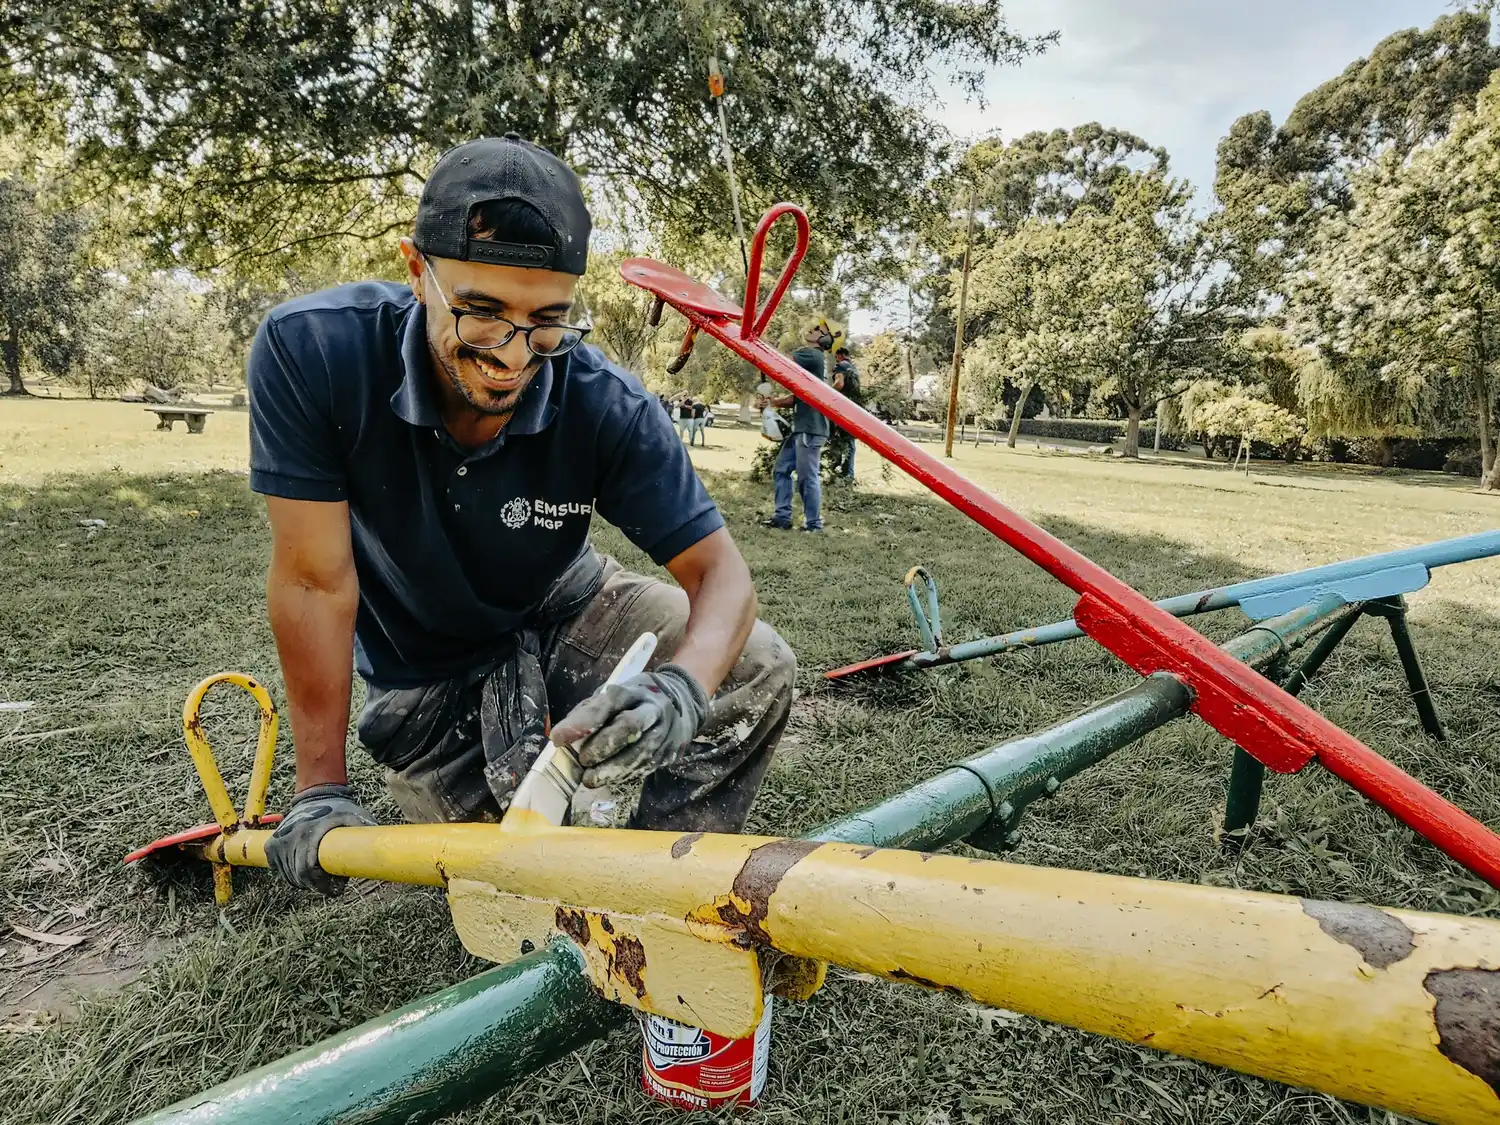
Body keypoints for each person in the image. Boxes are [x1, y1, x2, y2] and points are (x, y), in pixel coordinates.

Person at [247, 135, 796, 895]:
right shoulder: (311, 352)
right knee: (526, 894)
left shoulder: (605, 400)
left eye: (546, 321)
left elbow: (722, 577)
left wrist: (681, 689)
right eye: (481, 312)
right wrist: (318, 787)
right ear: (416, 272)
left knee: (754, 662)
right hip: (424, 670)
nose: (513, 356)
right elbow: (313, 582)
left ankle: (668, 902)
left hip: (563, 602)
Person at [760, 321, 835, 532]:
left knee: (807, 477)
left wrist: (759, 344)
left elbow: (781, 362)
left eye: (819, 329)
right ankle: (782, 517)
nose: (812, 328)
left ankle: (813, 524)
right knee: (781, 470)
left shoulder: (812, 354)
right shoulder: (817, 360)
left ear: (826, 339)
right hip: (802, 428)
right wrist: (773, 402)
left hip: (809, 428)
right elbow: (798, 398)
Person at [830, 346, 862, 481]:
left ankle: (837, 469)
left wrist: (826, 392)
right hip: (854, 408)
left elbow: (839, 384)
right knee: (849, 441)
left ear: (839, 355)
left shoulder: (840, 366)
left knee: (835, 437)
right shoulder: (854, 369)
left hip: (842, 406)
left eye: (836, 357)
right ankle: (848, 473)